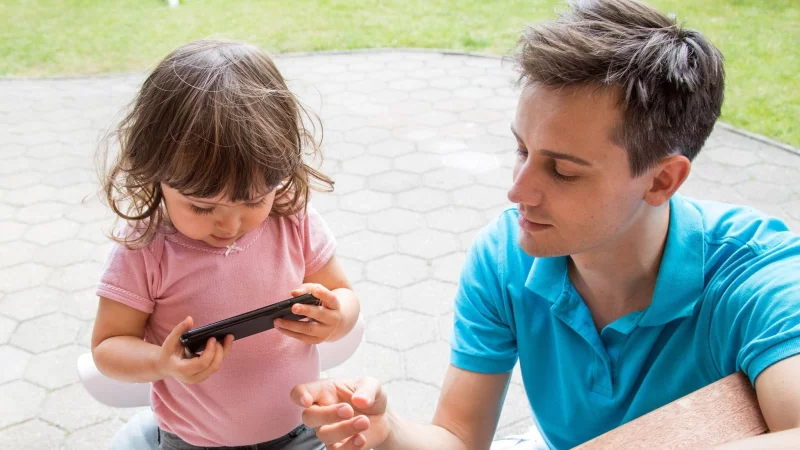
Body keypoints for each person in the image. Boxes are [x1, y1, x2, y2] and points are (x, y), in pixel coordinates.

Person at [290, 1, 800, 449]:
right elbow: (459, 438)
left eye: (562, 170)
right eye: (521, 149)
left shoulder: (757, 277)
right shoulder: (505, 256)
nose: (517, 191)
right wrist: (387, 431)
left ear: (663, 179)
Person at [91, 39, 360, 450]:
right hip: (194, 440)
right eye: (202, 207)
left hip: (300, 428)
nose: (231, 224)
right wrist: (161, 362)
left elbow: (343, 294)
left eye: (253, 200)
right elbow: (108, 348)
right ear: (156, 175)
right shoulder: (147, 247)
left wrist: (337, 318)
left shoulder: (292, 218)